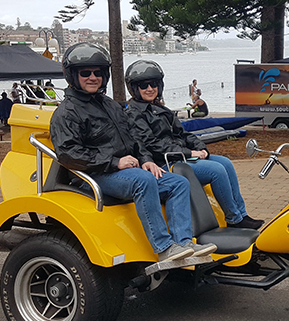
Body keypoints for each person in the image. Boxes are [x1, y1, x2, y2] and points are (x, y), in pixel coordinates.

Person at [49, 43, 216, 262]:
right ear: (73, 75)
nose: (93, 77)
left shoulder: (109, 104)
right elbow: (68, 153)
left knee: (178, 183)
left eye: (98, 72)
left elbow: (133, 136)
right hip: (95, 173)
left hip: (123, 170)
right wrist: (115, 162)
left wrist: (146, 159)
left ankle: (183, 243)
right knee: (143, 181)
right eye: (85, 73)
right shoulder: (66, 112)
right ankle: (164, 247)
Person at [124, 60, 263, 230]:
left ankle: (242, 214)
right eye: (144, 85)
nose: (149, 88)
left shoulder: (162, 110)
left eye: (153, 84)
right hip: (164, 164)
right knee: (216, 170)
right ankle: (234, 219)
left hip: (179, 156)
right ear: (135, 89)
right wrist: (189, 153)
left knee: (225, 162)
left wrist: (200, 147)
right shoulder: (134, 114)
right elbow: (151, 145)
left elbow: (183, 133)